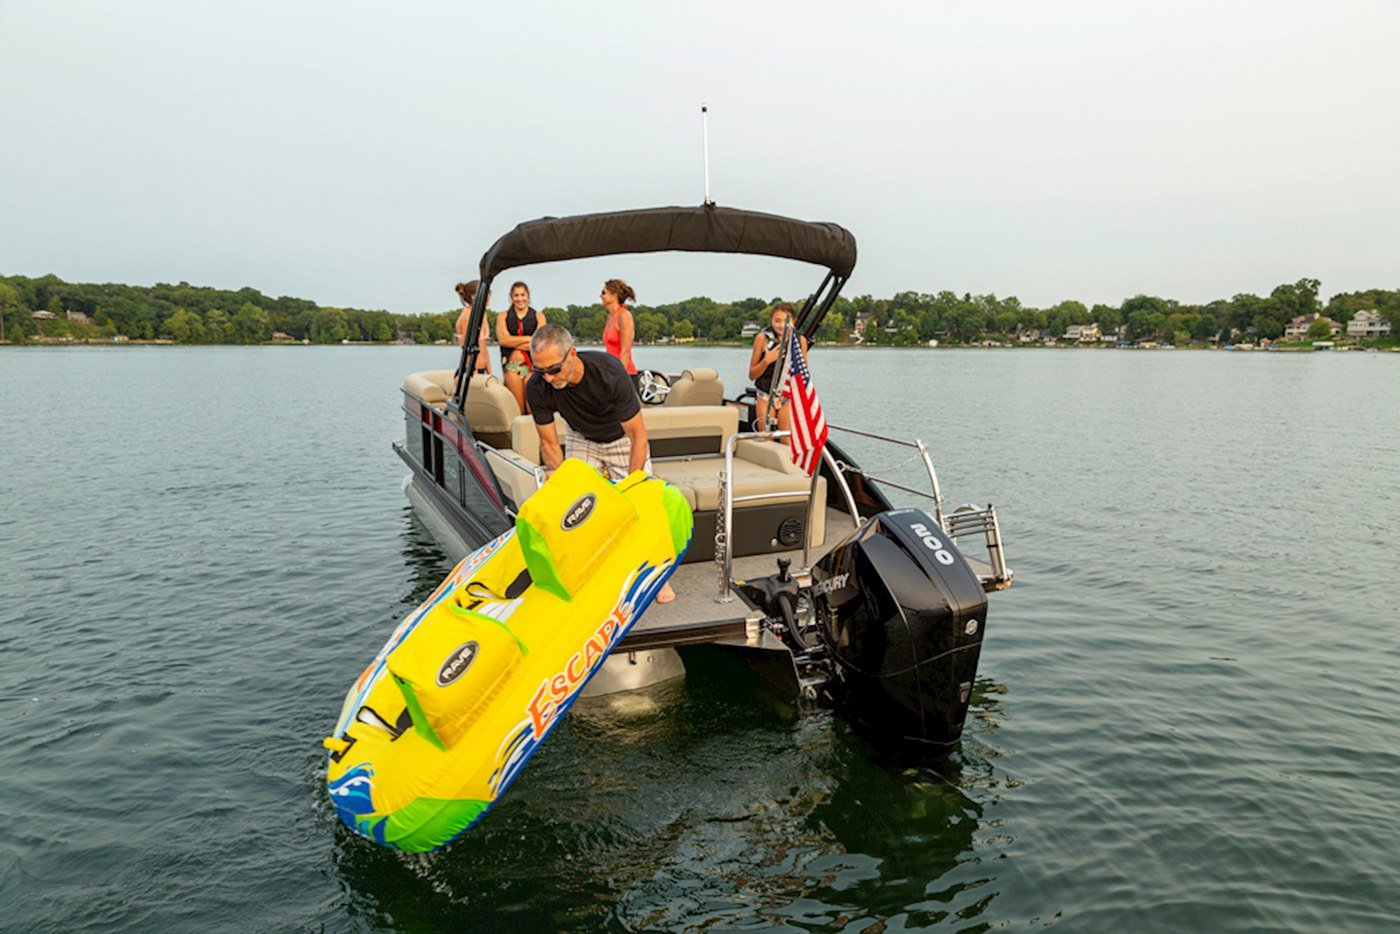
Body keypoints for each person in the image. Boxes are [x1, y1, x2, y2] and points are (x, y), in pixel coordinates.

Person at [526, 323, 675, 603]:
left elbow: (638, 436)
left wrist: (633, 486)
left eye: (554, 370)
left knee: (645, 504)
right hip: (582, 437)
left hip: (621, 438)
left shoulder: (608, 373)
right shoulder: (537, 387)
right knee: (574, 507)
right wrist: (559, 478)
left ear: (572, 355)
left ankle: (659, 576)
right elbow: (547, 443)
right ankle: (585, 573)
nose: (547, 378)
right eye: (540, 371)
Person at [748, 302, 808, 444]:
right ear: (771, 320)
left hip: (787, 396)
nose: (781, 325)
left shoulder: (800, 341)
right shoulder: (762, 339)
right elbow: (752, 375)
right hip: (765, 395)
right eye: (777, 321)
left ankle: (785, 465)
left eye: (786, 321)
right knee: (766, 439)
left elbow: (803, 376)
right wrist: (767, 360)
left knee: (786, 440)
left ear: (793, 321)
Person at [497, 281, 546, 413]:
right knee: (518, 408)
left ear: (528, 296)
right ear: (511, 297)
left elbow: (539, 343)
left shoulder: (538, 316)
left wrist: (515, 341)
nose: (520, 299)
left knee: (532, 407)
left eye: (522, 295)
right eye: (516, 295)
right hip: (513, 367)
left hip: (532, 367)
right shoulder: (503, 316)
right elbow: (503, 340)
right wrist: (530, 339)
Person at [600, 278, 638, 389]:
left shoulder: (624, 316)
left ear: (614, 295)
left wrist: (618, 378)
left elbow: (625, 351)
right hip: (611, 373)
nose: (600, 296)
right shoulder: (610, 317)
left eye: (603, 293)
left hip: (624, 375)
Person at [453, 280, 492, 376]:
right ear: (473, 297)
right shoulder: (468, 316)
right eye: (487, 292)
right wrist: (474, 374)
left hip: (480, 371)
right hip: (470, 372)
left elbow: (484, 348)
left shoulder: (481, 314)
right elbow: (468, 347)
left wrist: (490, 374)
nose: (489, 296)